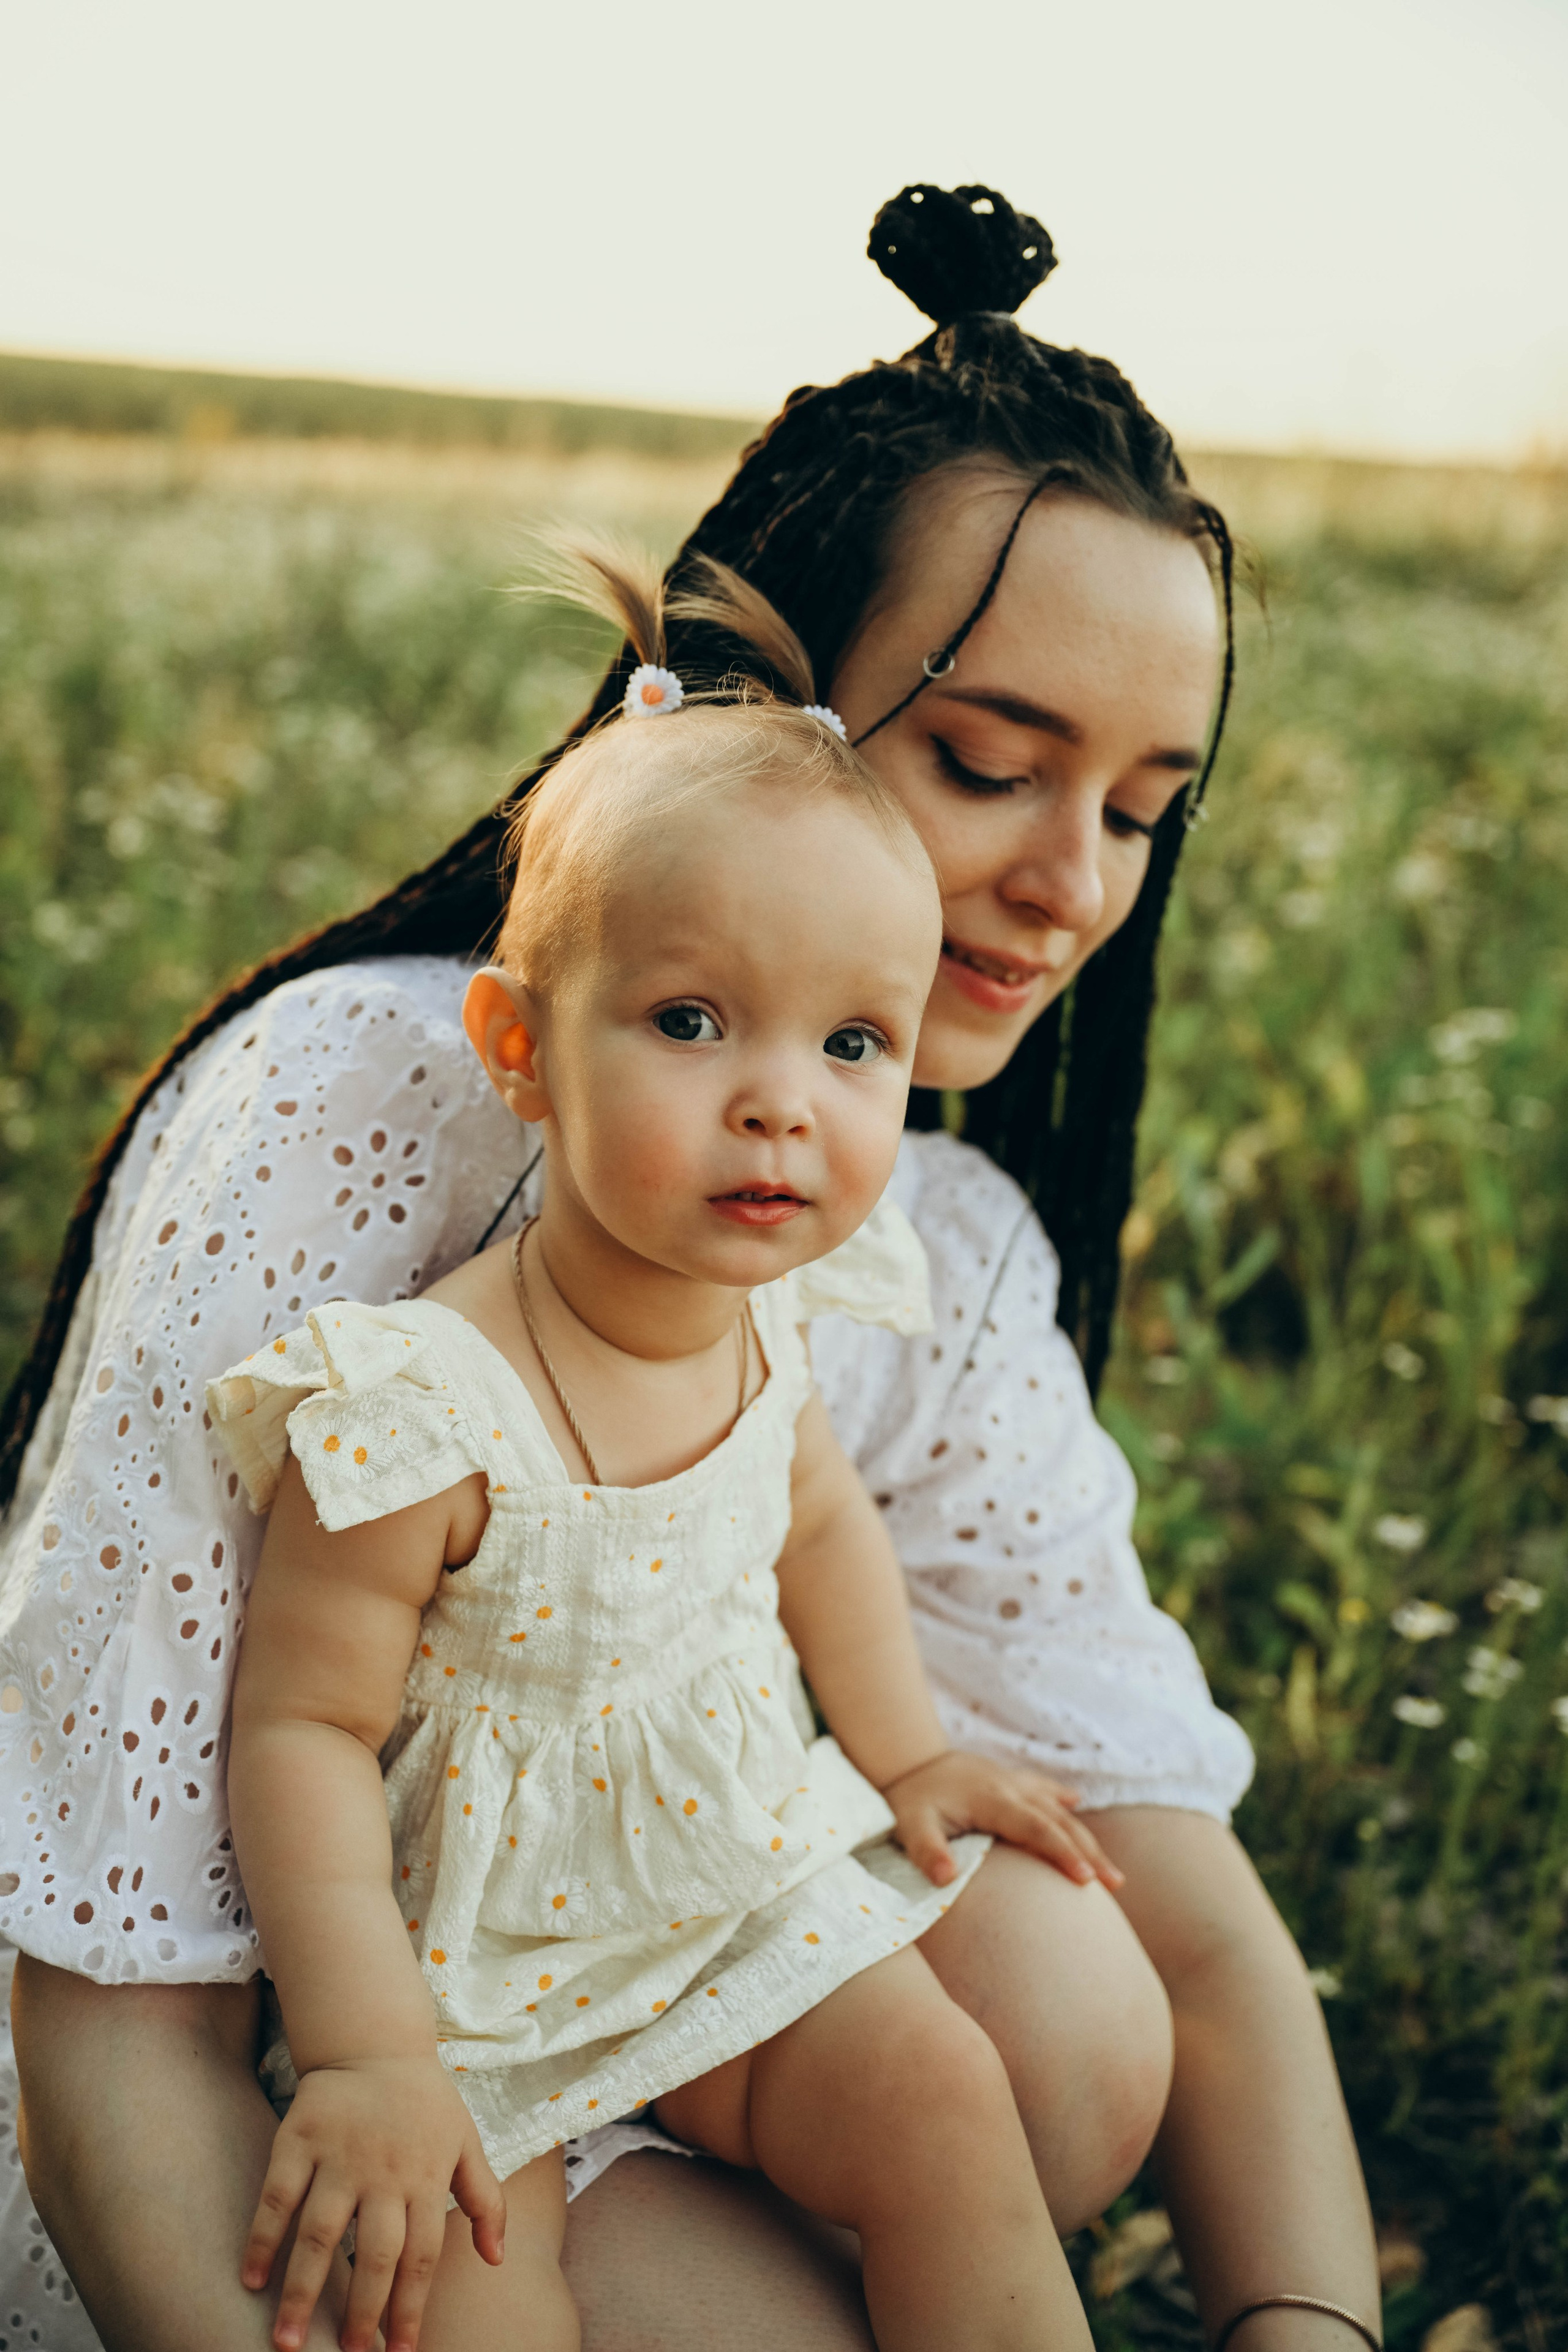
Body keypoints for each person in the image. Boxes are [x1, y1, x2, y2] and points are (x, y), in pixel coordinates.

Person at [1, 183, 1382, 2352]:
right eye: (995, 766)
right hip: (305, 2066)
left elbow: (1162, 1862)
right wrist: (367, 2086)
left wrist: (1307, 2321)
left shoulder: (917, 1240)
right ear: (733, 709)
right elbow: (110, 1975)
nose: (1072, 885)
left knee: (1066, 2009)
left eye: (1140, 809)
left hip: (693, 1959)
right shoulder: (350, 1109)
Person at [209, 550, 1126, 2352]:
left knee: (949, 2101)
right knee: (459, 2304)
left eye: (855, 1041)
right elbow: (303, 1730)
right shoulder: (420, 1405)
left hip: (721, 1884)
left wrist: (911, 1751)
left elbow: (816, 1517)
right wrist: (370, 2054)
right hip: (466, 1982)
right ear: (519, 1045)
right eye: (692, 1023)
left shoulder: (777, 1309)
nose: (782, 1098)